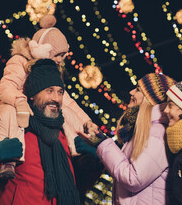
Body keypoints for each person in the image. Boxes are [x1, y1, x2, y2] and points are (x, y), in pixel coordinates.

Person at [0, 15, 97, 179]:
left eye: (64, 56)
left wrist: (86, 121)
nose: (61, 61)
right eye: (58, 55)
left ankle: (78, 151)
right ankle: (9, 161)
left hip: (35, 109)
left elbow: (67, 100)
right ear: (44, 50)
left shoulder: (51, 70)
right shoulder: (20, 61)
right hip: (11, 104)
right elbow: (6, 88)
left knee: (66, 111)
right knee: (9, 112)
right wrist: (19, 101)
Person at [0, 59, 80, 205]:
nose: (56, 98)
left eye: (60, 92)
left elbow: (78, 187)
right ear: (33, 94)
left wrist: (92, 163)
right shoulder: (11, 125)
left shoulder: (66, 133)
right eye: (49, 91)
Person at [75, 73, 176, 204]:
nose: (131, 92)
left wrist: (103, 143)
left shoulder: (158, 134)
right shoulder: (144, 130)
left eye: (138, 89)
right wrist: (99, 145)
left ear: (150, 99)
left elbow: (133, 179)